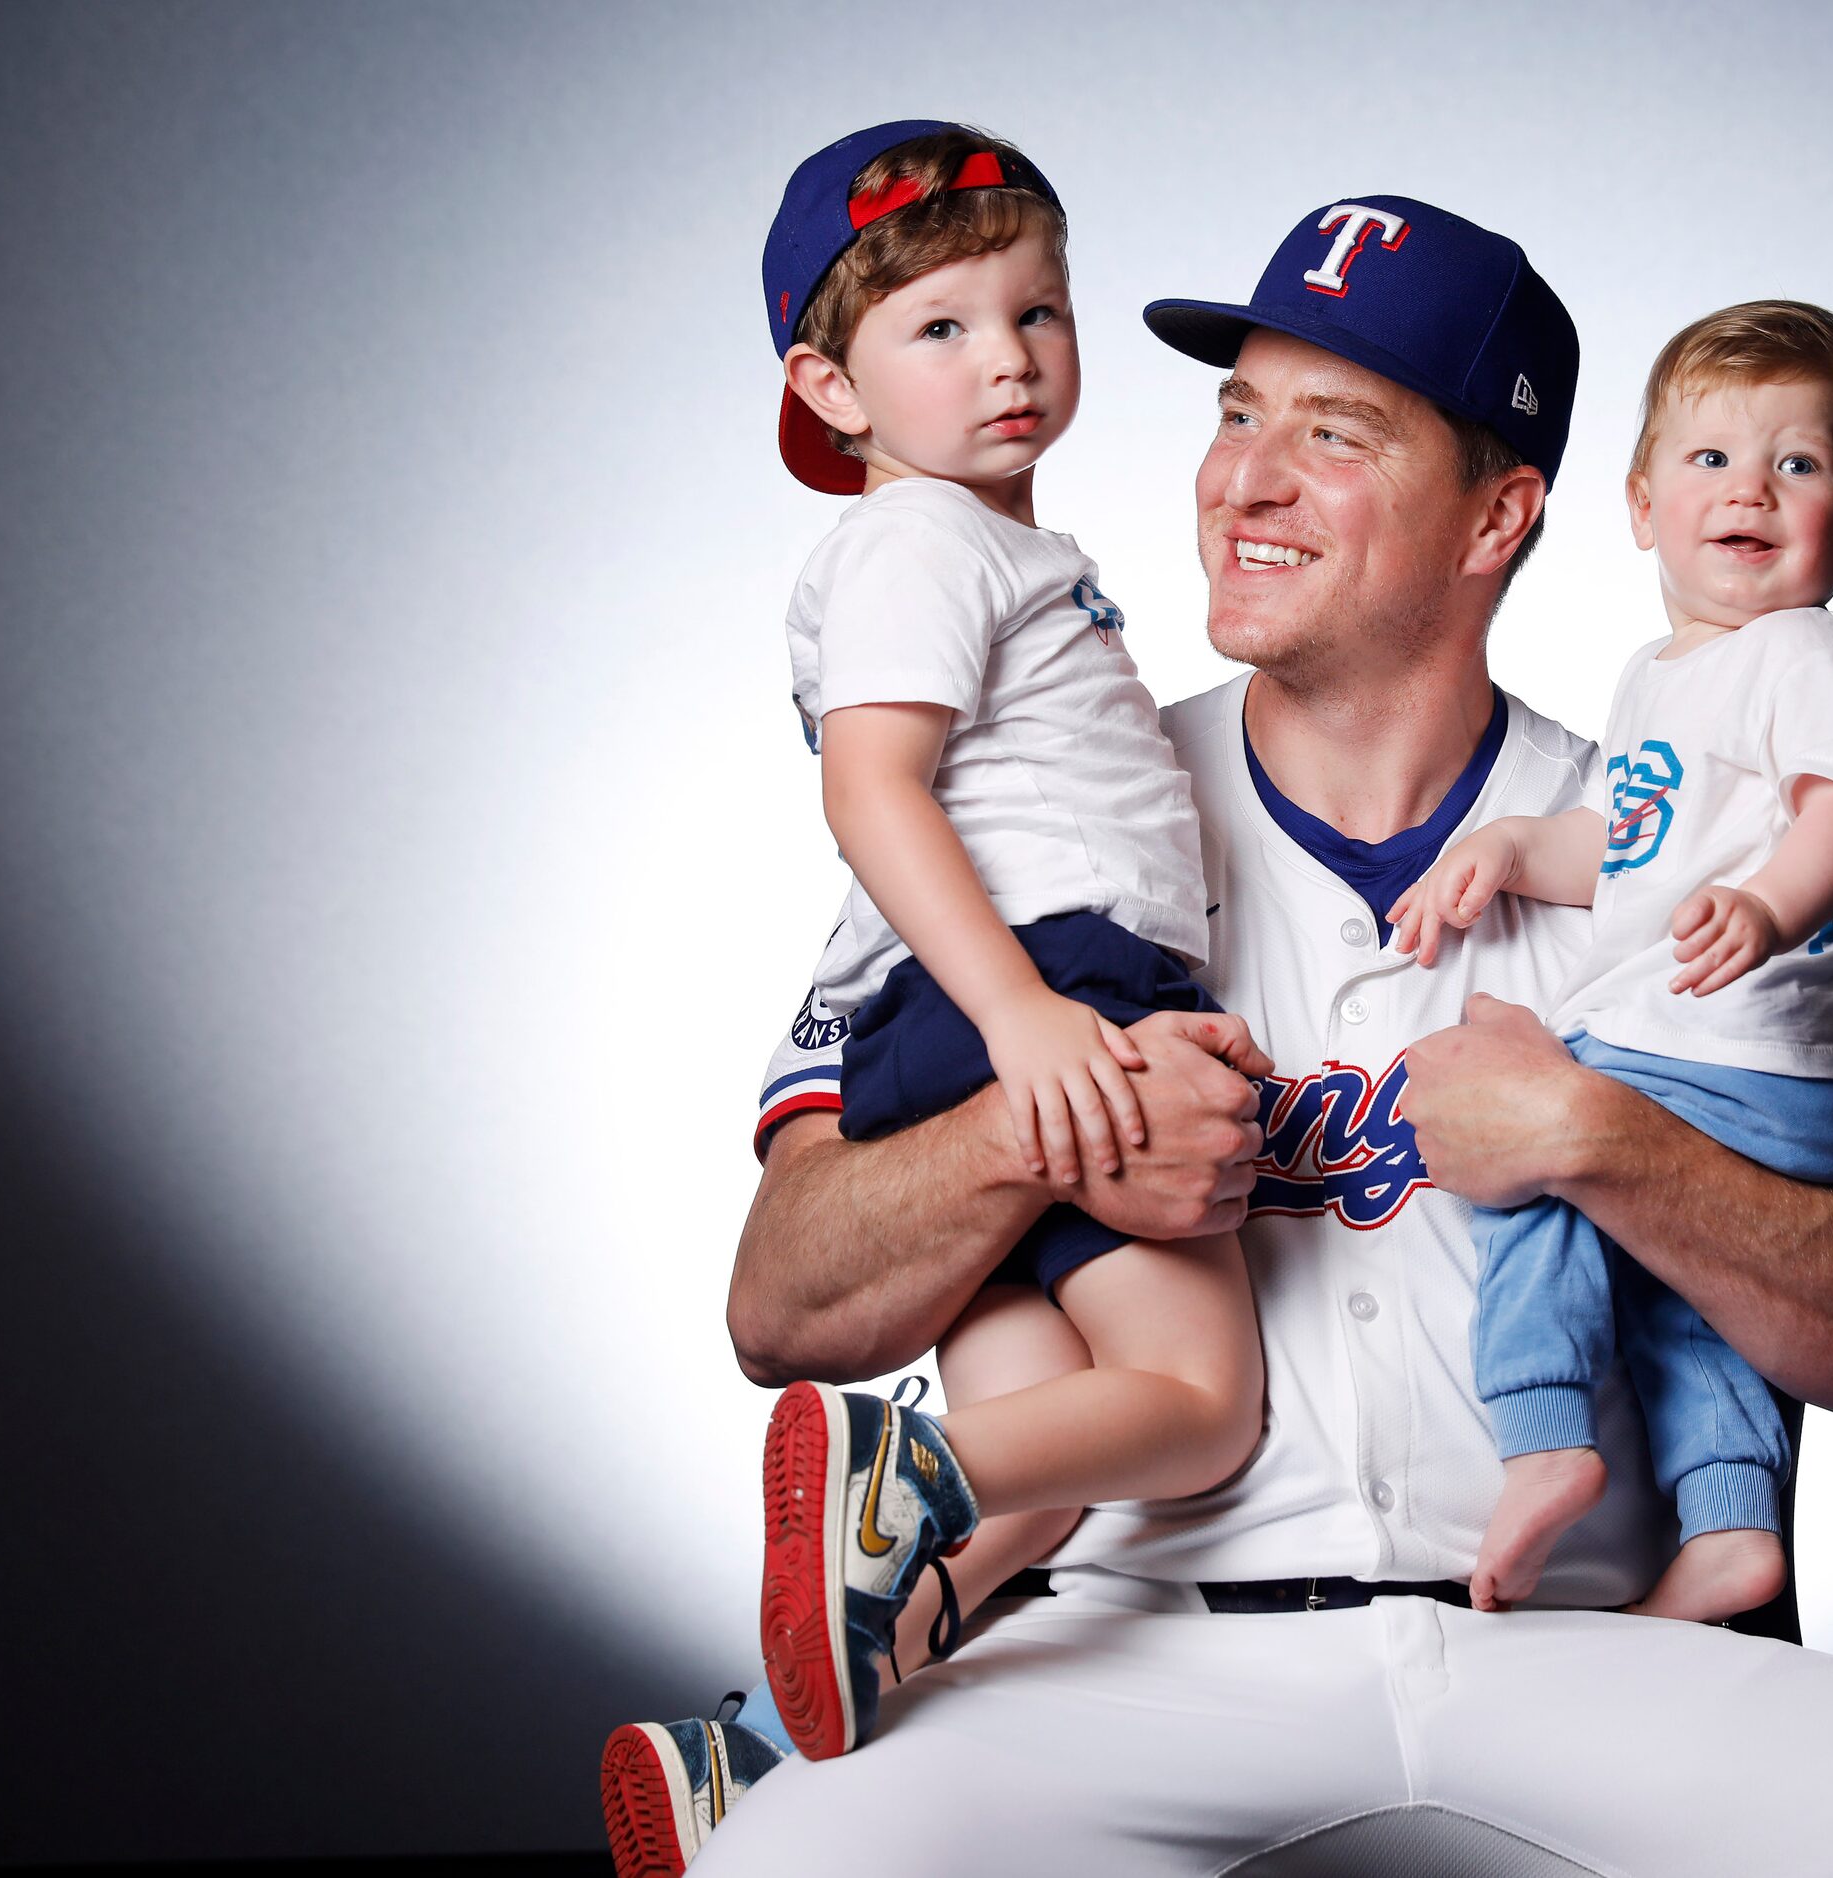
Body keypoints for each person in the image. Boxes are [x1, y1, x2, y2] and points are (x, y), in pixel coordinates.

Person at [639, 191, 1833, 1874]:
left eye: (1331, 434)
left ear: (1497, 517)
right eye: (1235, 415)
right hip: (1127, 1646)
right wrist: (1052, 1117)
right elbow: (779, 1298)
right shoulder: (1055, 809)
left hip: (1603, 1650)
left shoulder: (1708, 825)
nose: (1241, 480)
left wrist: (1606, 1143)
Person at [599, 120, 1278, 1868]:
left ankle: (743, 1762)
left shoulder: (991, 547)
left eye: (1036, 314)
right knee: (1196, 1408)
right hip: (1040, 978)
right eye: (942, 329)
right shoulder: (924, 546)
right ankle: (910, 1479)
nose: (1010, 361)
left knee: (1046, 1471)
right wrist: (1032, 1015)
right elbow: (873, 788)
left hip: (968, 1014)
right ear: (829, 387)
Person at [1389, 301, 1833, 1626]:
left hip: (1739, 1048)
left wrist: (1768, 904)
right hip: (1753, 1064)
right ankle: (1732, 1519)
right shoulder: (1665, 676)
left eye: (1798, 464)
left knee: (1536, 1172)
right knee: (1691, 1288)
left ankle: (1542, 1428)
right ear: (1638, 504)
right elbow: (1630, 854)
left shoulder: (1800, 652)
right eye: (1711, 461)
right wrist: (1518, 844)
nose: (1750, 489)